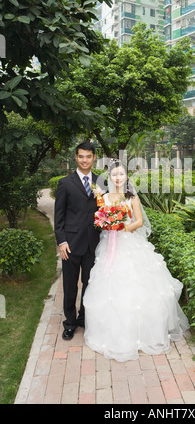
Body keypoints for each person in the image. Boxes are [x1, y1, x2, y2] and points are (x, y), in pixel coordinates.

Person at [83, 159, 189, 362]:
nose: (117, 178)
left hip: (130, 243)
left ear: (126, 176)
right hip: (109, 245)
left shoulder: (132, 198)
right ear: (109, 178)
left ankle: (142, 333)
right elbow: (99, 219)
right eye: (114, 175)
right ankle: (113, 332)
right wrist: (108, 224)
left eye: (121, 174)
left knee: (136, 286)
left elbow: (139, 222)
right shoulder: (103, 198)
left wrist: (122, 227)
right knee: (109, 287)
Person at [54, 142, 106, 340]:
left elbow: (106, 211)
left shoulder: (101, 182)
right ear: (76, 158)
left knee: (89, 283)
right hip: (71, 244)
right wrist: (61, 241)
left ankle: (84, 318)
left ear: (94, 158)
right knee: (69, 284)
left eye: (89, 156)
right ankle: (69, 322)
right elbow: (59, 217)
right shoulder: (65, 183)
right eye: (81, 156)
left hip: (94, 243)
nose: (85, 160)